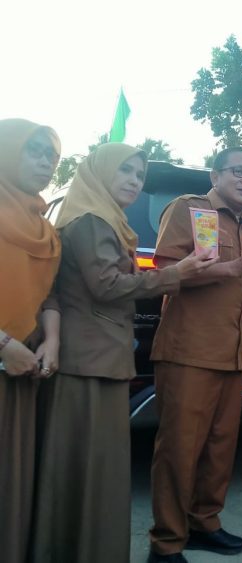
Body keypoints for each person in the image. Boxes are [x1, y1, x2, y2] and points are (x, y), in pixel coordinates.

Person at [31, 144, 215, 563]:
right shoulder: (92, 220)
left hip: (97, 359)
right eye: (125, 171)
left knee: (90, 470)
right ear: (99, 173)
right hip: (89, 363)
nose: (134, 180)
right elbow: (107, 285)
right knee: (88, 470)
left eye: (139, 174)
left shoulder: (103, 218)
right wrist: (177, 273)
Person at [148, 147, 242, 563]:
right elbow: (165, 273)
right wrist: (235, 268)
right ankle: (166, 542)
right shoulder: (189, 209)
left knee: (221, 448)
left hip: (232, 355)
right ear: (215, 175)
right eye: (240, 171)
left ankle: (204, 522)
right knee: (179, 450)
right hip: (189, 352)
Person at [0, 118, 62, 563]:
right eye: (34, 151)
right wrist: (4, 345)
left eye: (51, 156)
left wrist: (52, 341)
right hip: (10, 355)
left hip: (22, 371)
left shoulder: (44, 228)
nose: (45, 163)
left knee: (12, 480)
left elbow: (50, 294)